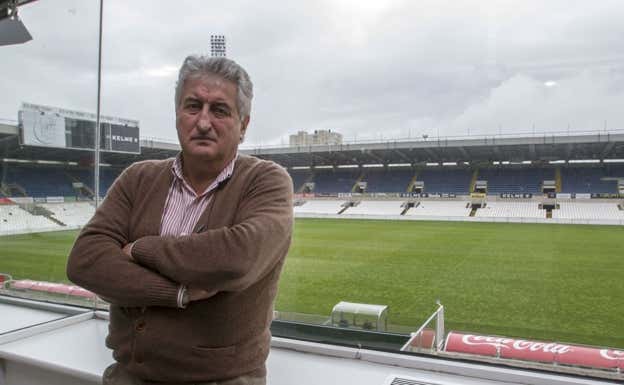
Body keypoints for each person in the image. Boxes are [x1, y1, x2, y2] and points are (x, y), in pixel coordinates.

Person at [67, 55, 293, 385]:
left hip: (223, 380)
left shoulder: (266, 180)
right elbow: (85, 261)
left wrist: (138, 250)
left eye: (219, 110)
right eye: (192, 106)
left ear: (243, 125)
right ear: (177, 115)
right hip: (129, 376)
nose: (203, 122)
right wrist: (178, 293)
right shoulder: (138, 178)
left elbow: (236, 258)